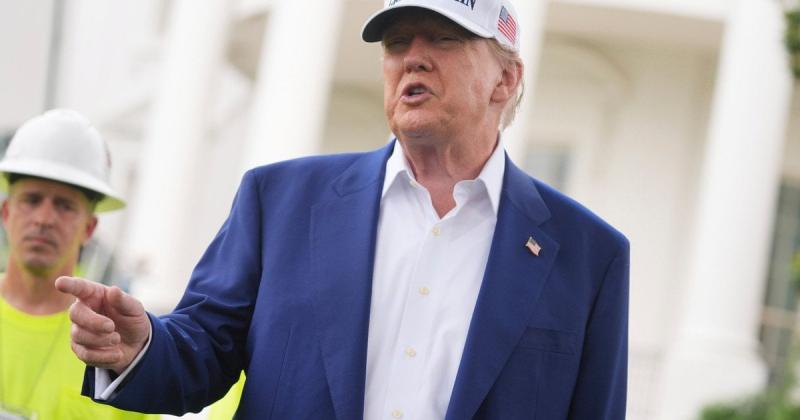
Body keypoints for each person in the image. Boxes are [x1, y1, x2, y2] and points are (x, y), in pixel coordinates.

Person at [57, 0, 630, 418]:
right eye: (397, 43)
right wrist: (141, 348)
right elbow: (203, 349)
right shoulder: (279, 202)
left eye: (443, 38)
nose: (413, 58)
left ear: (505, 78)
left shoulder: (590, 257)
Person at [0, 109, 157, 419]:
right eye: (32, 200)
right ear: (6, 213)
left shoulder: (112, 345)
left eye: (64, 206)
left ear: (89, 227)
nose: (44, 219)